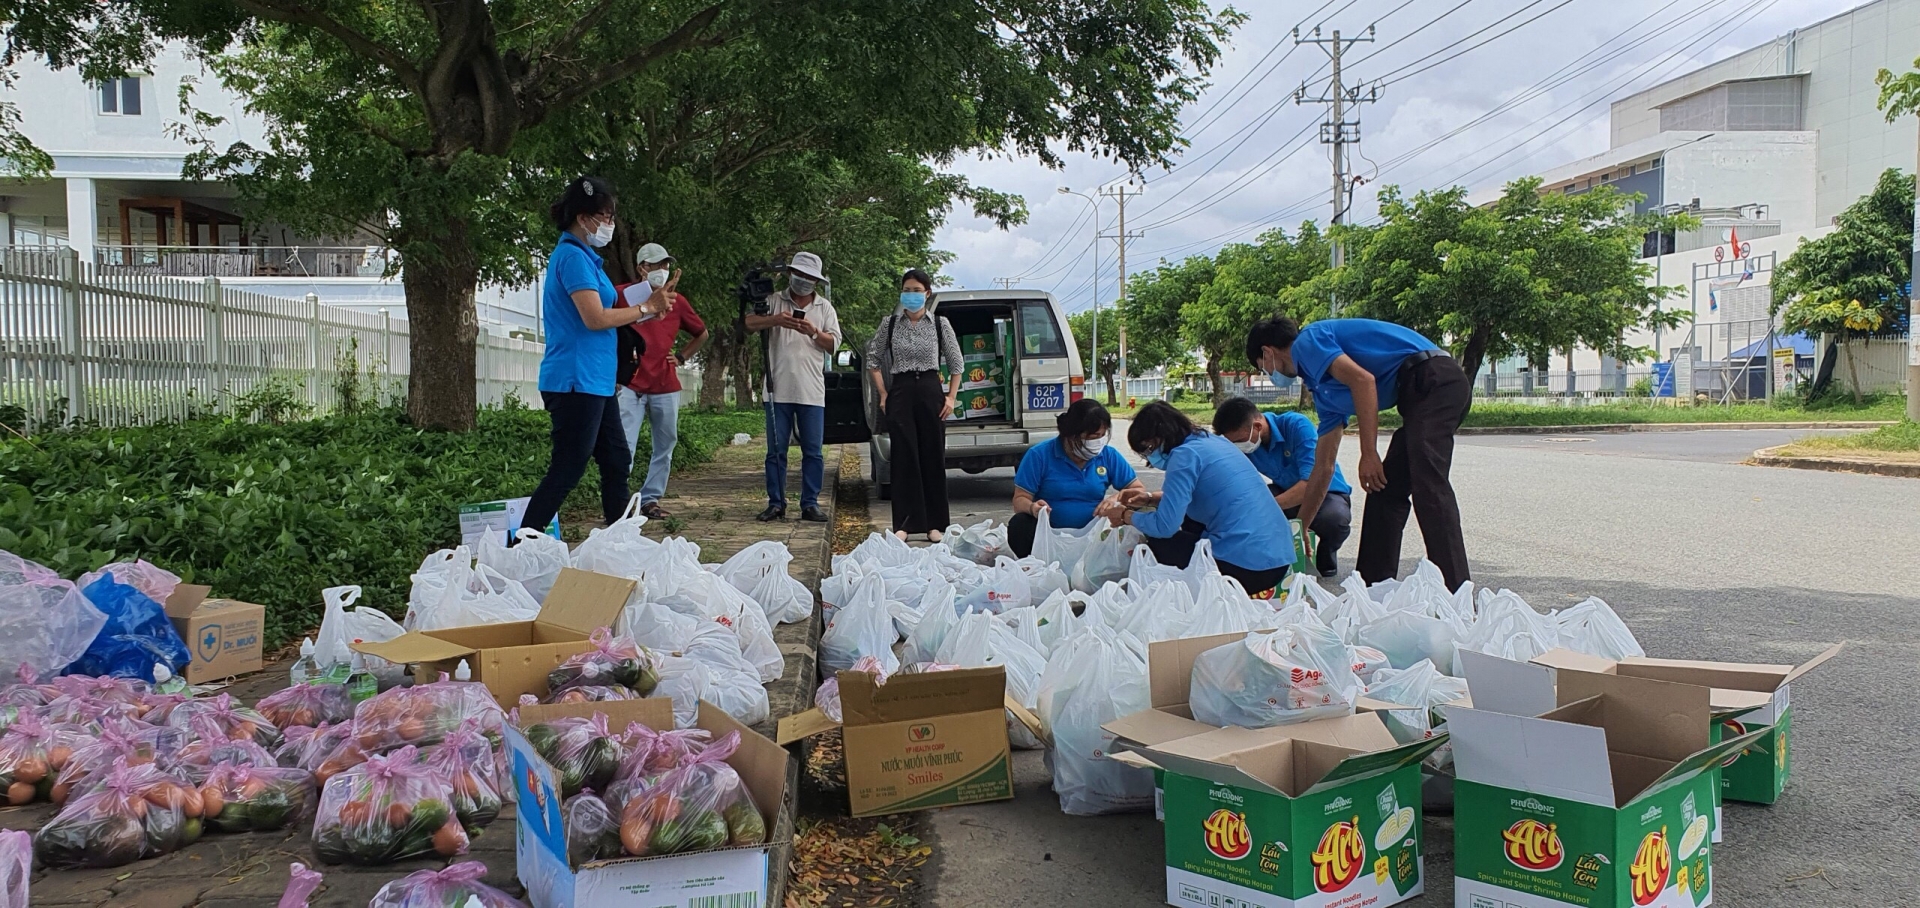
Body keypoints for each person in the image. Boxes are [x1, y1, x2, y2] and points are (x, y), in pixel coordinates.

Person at [1246, 316, 1471, 590]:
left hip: (1435, 378)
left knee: (1428, 483)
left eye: (1262, 368)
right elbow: (1324, 466)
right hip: (1415, 397)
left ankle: (1457, 594)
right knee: (1384, 492)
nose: (1270, 376)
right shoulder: (1323, 391)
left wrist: (1369, 453)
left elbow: (1363, 381)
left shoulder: (1307, 342)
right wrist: (1301, 526)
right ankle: (1370, 591)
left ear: (1267, 352)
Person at [521, 176, 676, 534]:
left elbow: (613, 306)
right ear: (582, 217)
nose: (609, 224)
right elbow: (594, 318)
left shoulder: (589, 260)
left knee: (616, 457)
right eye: (604, 216)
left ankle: (618, 539)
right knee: (569, 465)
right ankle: (522, 544)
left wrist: (651, 306)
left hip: (598, 380)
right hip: (576, 379)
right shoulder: (572, 258)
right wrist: (645, 309)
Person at [1100, 401, 1294, 597]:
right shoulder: (1214, 442)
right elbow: (1199, 495)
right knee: (1188, 522)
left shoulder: (1184, 456)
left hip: (1248, 565)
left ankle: (1180, 605)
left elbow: (1165, 526)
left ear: (1161, 438)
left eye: (1149, 449)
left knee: (1157, 546)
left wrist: (1125, 515)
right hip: (1279, 558)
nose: (1149, 458)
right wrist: (1149, 499)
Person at [865, 269, 963, 541]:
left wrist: (951, 398)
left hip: (931, 390)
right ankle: (905, 524)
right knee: (904, 457)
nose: (911, 295)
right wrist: (883, 393)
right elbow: (873, 359)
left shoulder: (940, 324)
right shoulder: (891, 324)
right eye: (907, 290)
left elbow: (957, 364)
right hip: (901, 390)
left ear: (927, 293)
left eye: (917, 290)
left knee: (932, 456)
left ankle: (936, 524)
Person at [743, 251, 841, 522]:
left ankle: (810, 503)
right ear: (790, 275)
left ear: (817, 281)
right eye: (799, 275)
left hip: (811, 390)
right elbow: (748, 323)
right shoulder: (774, 301)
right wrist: (776, 320)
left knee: (813, 451)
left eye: (809, 277)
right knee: (776, 451)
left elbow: (833, 344)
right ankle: (776, 502)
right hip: (777, 389)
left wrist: (812, 330)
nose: (803, 281)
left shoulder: (824, 309)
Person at [614, 242, 708, 520]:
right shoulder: (622, 295)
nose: (662, 271)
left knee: (665, 445)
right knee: (624, 446)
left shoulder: (676, 301)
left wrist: (680, 357)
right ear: (642, 268)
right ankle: (619, 502)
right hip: (629, 382)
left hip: (665, 384)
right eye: (656, 265)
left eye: (665, 265)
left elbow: (701, 333)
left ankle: (650, 498)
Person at [1211, 397, 1352, 578]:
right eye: (1233, 443)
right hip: (1285, 490)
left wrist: (1266, 508)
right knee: (1244, 505)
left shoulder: (1296, 426)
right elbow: (1229, 481)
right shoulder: (1246, 445)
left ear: (1258, 427)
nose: (1238, 447)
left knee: (1334, 518)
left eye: (1239, 441)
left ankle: (1327, 550)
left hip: (1327, 493)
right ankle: (1273, 560)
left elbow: (1311, 485)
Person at [1006, 398, 1144, 558]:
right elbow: (1020, 499)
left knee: (1141, 514)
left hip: (1096, 533)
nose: (1097, 442)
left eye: (1101, 435)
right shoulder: (1039, 455)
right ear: (1071, 435)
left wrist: (1117, 498)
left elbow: (1138, 490)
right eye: (1092, 437)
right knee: (1020, 524)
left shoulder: (1108, 455)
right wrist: (1033, 508)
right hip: (1049, 534)